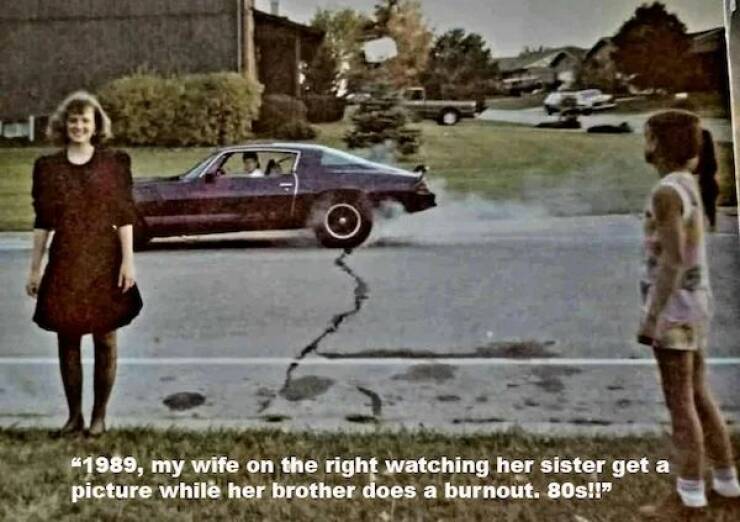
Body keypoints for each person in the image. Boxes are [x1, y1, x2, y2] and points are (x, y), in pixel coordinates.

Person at [637, 110, 739, 518]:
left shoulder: (666, 192)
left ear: (658, 144)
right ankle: (728, 484)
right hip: (695, 305)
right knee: (699, 394)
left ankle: (689, 496)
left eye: (646, 137)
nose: (643, 145)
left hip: (674, 311)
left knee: (681, 406)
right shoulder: (687, 184)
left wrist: (651, 317)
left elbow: (672, 261)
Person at [25, 91, 143, 437]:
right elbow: (43, 221)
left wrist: (128, 263)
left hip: (105, 259)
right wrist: (34, 269)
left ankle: (98, 418)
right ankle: (74, 417)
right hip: (66, 259)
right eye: (73, 120)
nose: (79, 126)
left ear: (96, 126)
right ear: (65, 125)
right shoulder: (48, 168)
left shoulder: (113, 163)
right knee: (69, 339)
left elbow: (124, 216)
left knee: (106, 339)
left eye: (85, 121)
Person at [693, 128, 719, 232]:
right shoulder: (709, 156)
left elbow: (697, 169)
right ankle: (711, 225)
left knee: (705, 206)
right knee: (707, 207)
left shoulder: (705, 156)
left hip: (707, 186)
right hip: (709, 186)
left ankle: (709, 225)